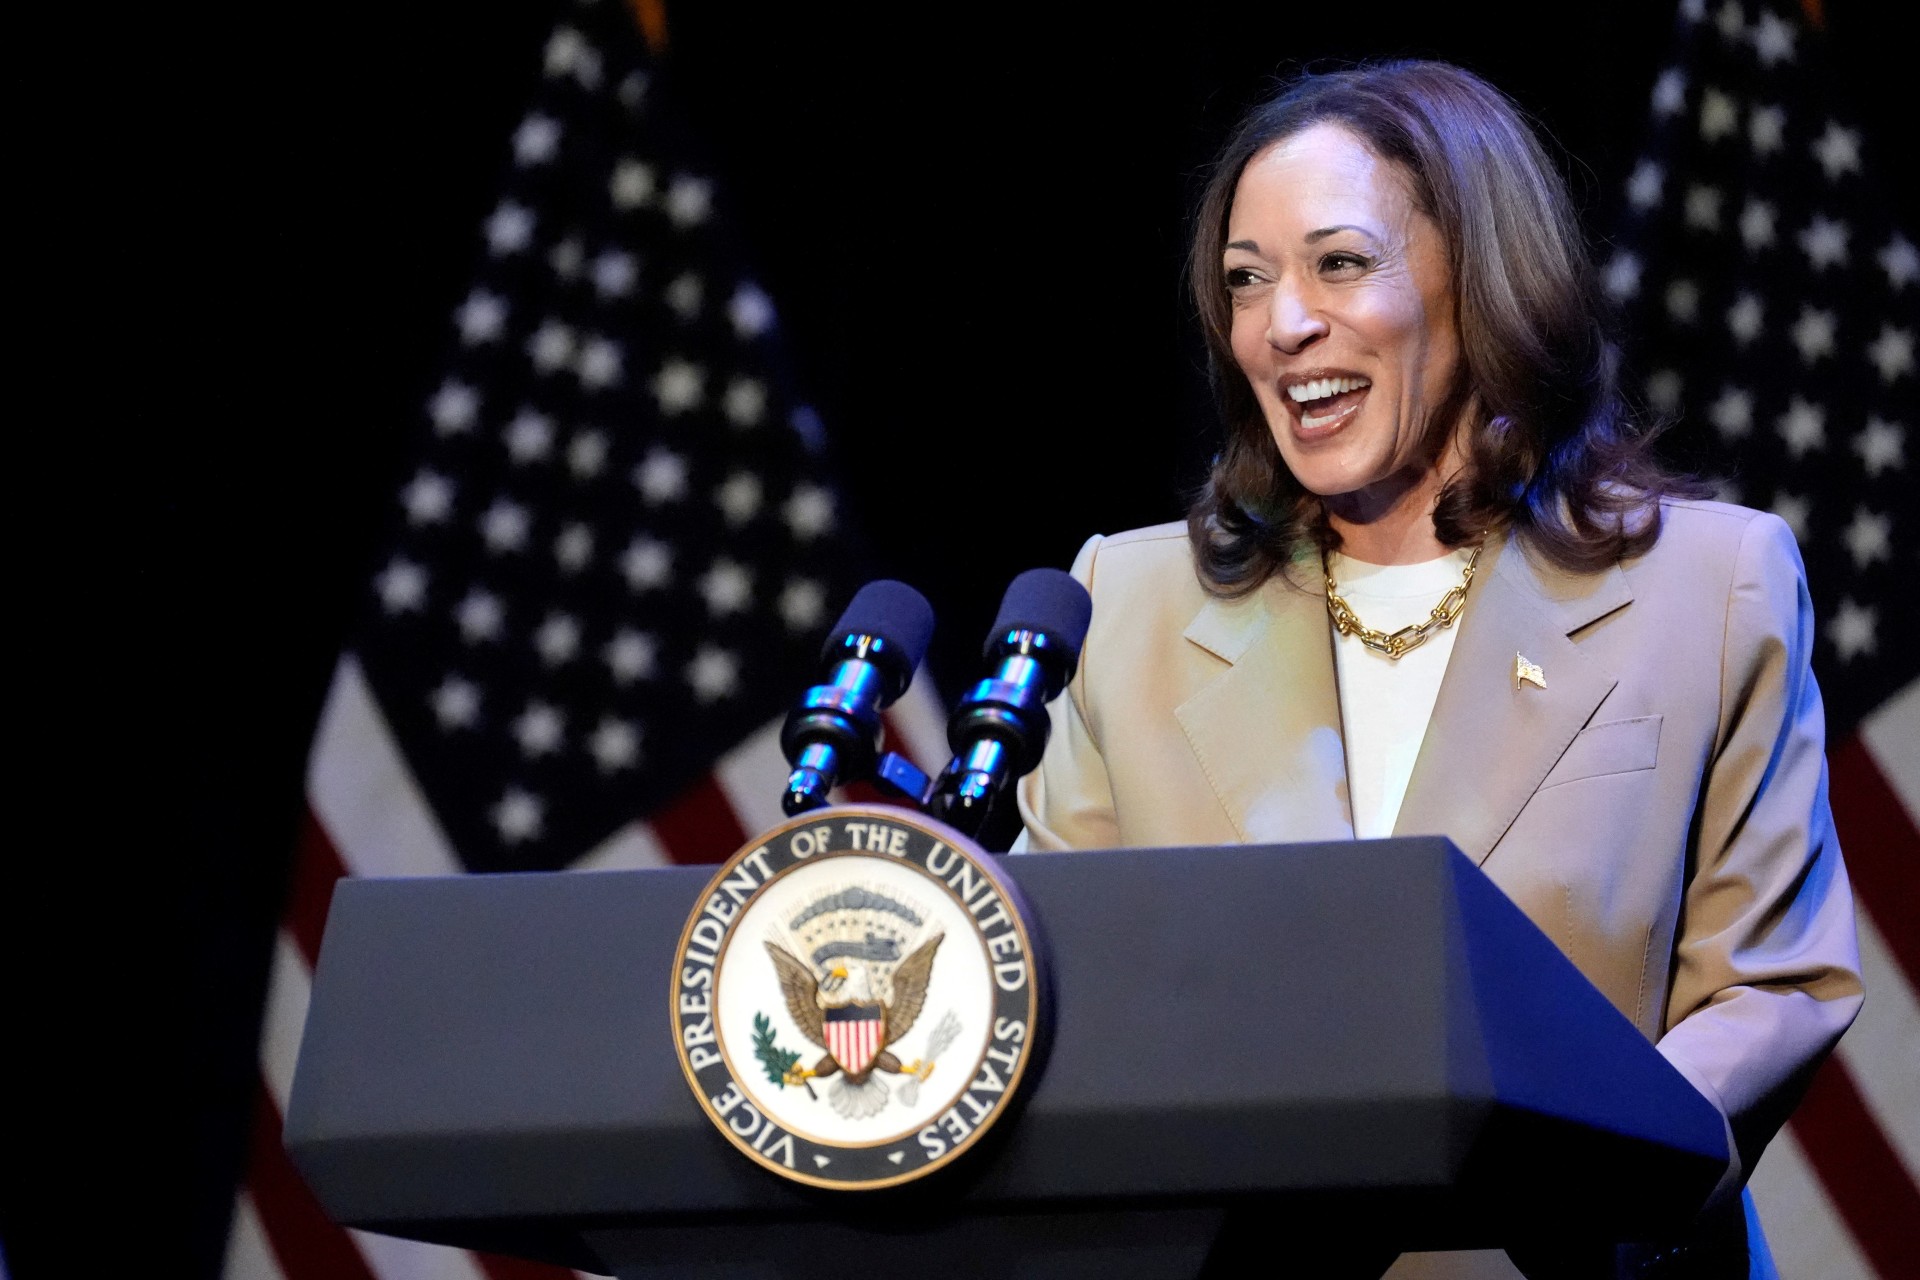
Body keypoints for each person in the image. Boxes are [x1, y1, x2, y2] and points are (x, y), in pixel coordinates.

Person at [1014, 61, 1861, 1279]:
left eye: (1338, 263)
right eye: (1245, 281)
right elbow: (1064, 984)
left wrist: (1558, 1177)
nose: (1281, 323)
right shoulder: (1131, 601)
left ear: (1478, 275)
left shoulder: (1707, 586)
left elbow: (1775, 985)